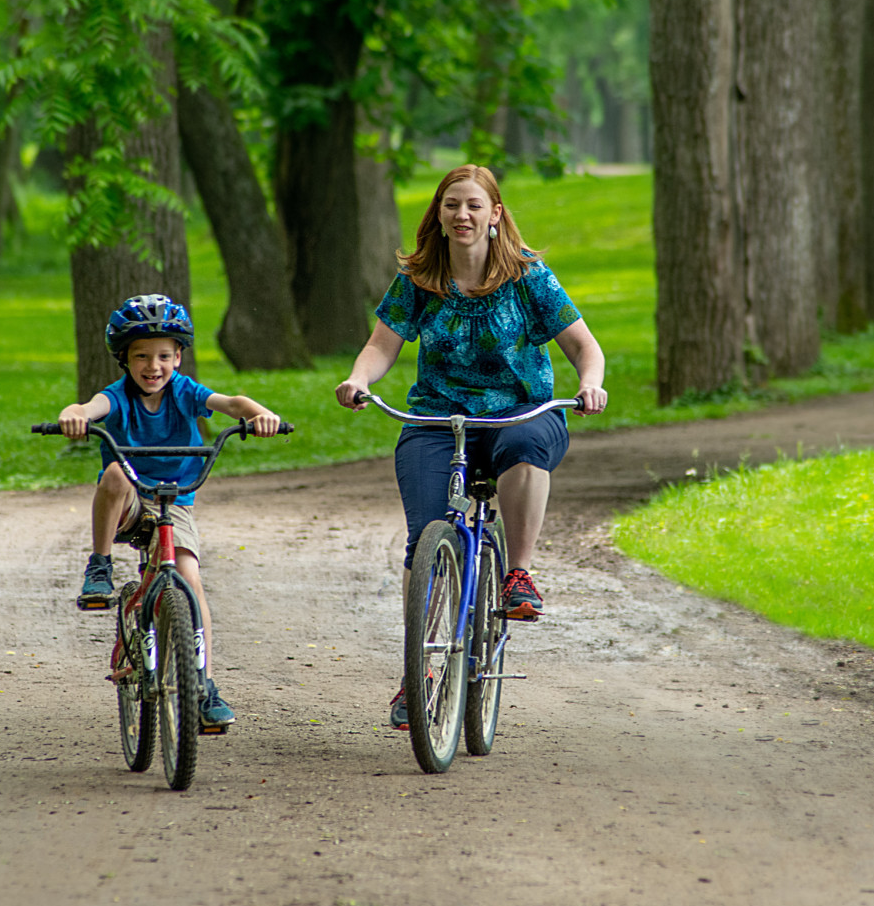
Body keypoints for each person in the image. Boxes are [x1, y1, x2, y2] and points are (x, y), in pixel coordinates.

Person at [334, 165, 608, 729]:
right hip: (437, 418)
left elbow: (585, 348)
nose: (462, 214)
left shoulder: (528, 277)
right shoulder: (418, 279)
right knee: (424, 541)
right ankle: (419, 673)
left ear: (495, 214)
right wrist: (360, 379)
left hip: (519, 411)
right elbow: (380, 346)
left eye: (474, 205)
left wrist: (588, 384)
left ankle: (519, 575)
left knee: (526, 445)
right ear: (438, 213)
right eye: (452, 204)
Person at [56, 294, 282, 730]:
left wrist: (261, 415)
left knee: (190, 581)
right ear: (124, 359)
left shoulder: (185, 392)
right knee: (116, 474)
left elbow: (233, 403)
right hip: (129, 502)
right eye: (141, 356)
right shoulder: (117, 397)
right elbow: (89, 408)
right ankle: (99, 565)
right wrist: (73, 415)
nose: (152, 366)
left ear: (178, 358)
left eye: (163, 355)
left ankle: (203, 685)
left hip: (174, 501)